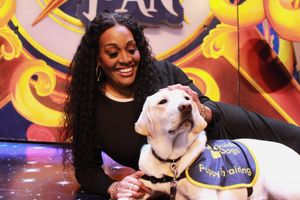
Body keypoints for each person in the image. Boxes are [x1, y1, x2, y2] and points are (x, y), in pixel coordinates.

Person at [63, 12, 300, 199]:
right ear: (97, 58)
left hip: (220, 130)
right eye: (113, 53)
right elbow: (87, 170)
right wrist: (114, 187)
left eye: (132, 50)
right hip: (188, 176)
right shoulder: (90, 109)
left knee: (292, 138)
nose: (125, 59)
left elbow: (209, 109)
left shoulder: (163, 73)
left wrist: (199, 108)